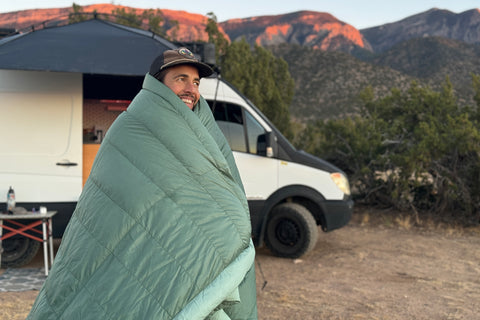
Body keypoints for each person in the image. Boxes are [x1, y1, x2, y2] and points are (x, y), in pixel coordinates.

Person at [27, 48, 258, 319]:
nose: (191, 89)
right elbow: (118, 205)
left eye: (196, 82)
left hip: (184, 261)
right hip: (142, 258)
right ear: (157, 85)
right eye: (180, 79)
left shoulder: (202, 136)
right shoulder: (129, 130)